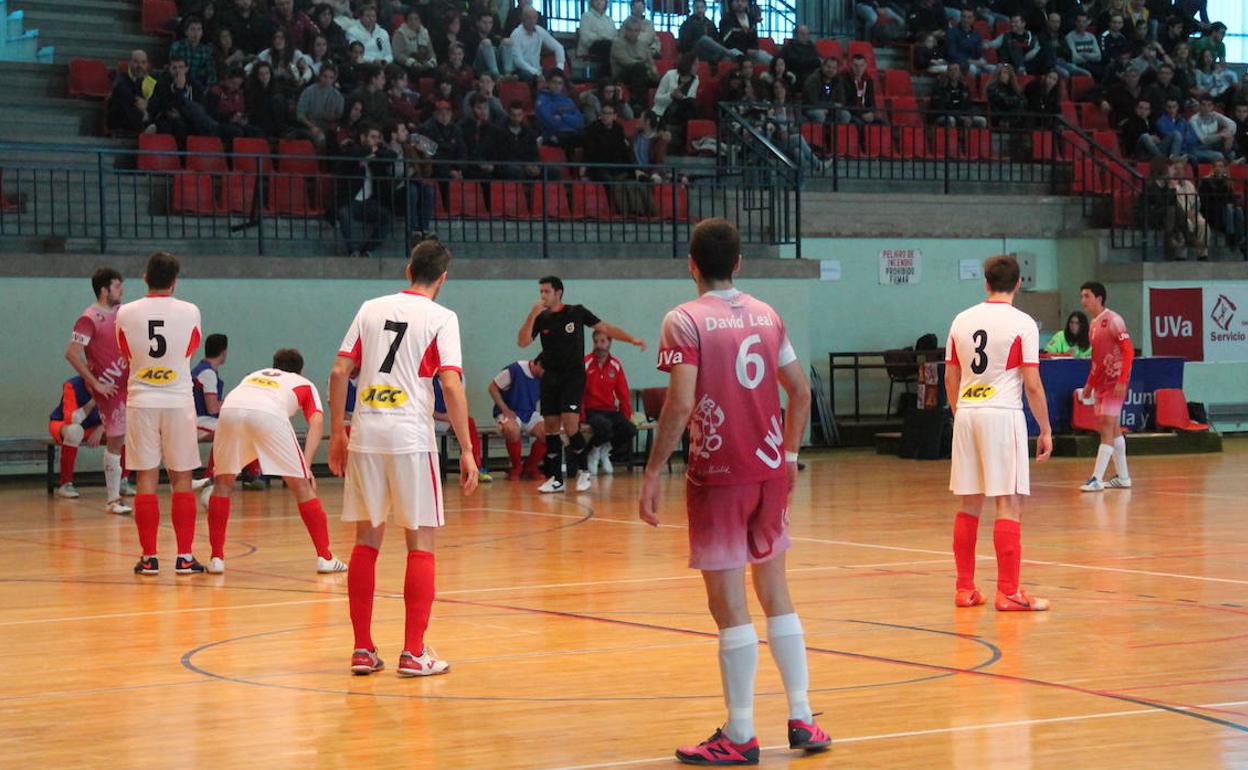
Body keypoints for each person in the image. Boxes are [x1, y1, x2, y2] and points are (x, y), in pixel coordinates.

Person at [639, 218, 828, 765]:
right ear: (739, 263)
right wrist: (790, 455)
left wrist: (652, 472)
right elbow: (799, 391)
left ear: (691, 263)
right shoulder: (769, 315)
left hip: (719, 473)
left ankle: (741, 733)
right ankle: (803, 718)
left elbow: (678, 404)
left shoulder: (683, 320)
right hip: (769, 469)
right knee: (776, 593)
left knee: (728, 605)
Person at [328, 240, 479, 678]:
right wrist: (468, 449)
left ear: (408, 267)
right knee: (421, 543)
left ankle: (362, 649)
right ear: (443, 278)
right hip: (411, 437)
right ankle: (413, 652)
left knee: (366, 542)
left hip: (367, 433)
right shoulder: (442, 317)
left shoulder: (371, 307)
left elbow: (340, 371)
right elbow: (450, 385)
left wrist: (338, 432)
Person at [945, 254, 1053, 613]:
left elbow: (950, 375)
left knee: (969, 502)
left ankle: (965, 589)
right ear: (1019, 283)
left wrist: (961, 412)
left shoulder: (961, 319)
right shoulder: (1022, 323)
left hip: (967, 413)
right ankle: (1008, 592)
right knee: (1008, 502)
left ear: (985, 282)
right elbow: (1033, 384)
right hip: (1002, 413)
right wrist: (1046, 428)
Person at [202, 349, 348, 575]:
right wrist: (306, 467)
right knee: (301, 487)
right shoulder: (304, 383)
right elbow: (317, 423)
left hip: (230, 410)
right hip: (267, 414)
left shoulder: (256, 374)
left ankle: (216, 558)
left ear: (274, 366)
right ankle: (325, 557)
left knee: (222, 485)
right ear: (301, 369)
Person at [115, 251, 205, 576]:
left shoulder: (125, 312)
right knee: (182, 478)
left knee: (145, 478)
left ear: (144, 277)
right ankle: (184, 557)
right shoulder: (190, 310)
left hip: (141, 400)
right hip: (179, 400)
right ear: (175, 281)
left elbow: (125, 352)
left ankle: (149, 557)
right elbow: (190, 348)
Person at [517, 276, 647, 494]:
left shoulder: (575, 312)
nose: (542, 296)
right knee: (550, 428)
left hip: (573, 377)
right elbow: (522, 342)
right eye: (540, 292)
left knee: (570, 426)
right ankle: (556, 478)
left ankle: (584, 470)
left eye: (546, 292)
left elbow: (605, 327)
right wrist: (532, 314)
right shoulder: (541, 318)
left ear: (558, 293)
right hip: (550, 378)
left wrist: (632, 339)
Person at [65, 267, 132, 514]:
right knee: (115, 440)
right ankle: (113, 499)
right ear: (104, 290)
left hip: (130, 385)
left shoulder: (122, 313)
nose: (121, 290)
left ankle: (123, 489)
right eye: (117, 286)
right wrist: (96, 383)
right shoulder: (89, 318)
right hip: (110, 388)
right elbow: (71, 353)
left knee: (137, 436)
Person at [1078, 281, 1134, 492]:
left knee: (1105, 427)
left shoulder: (1114, 320)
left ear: (1098, 298)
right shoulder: (1093, 325)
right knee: (1113, 428)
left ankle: (1096, 478)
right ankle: (1123, 477)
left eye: (1086, 296)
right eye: (1082, 296)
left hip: (1114, 382)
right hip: (1101, 383)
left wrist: (1121, 380)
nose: (1083, 300)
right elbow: (1097, 359)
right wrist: (1090, 384)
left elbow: (1128, 351)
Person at [338, 122, 397, 258]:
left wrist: (376, 150)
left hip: (368, 202)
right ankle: (353, 251)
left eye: (378, 138)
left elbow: (392, 156)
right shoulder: (351, 148)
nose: (376, 141)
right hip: (350, 200)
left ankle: (367, 250)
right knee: (343, 213)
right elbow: (351, 156)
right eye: (372, 137)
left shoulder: (377, 155)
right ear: (363, 138)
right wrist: (372, 150)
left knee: (387, 218)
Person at [582, 330, 637, 476]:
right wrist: (580, 416)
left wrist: (627, 414)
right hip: (591, 409)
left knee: (630, 430)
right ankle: (593, 452)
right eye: (596, 342)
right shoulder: (585, 363)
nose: (599, 345)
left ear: (609, 343)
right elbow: (578, 392)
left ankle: (605, 450)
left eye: (603, 341)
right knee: (604, 426)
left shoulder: (615, 365)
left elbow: (623, 392)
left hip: (610, 410)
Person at [488, 356, 547, 480]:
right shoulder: (515, 370)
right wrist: (504, 409)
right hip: (510, 412)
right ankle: (516, 467)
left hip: (529, 413)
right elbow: (492, 388)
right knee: (511, 428)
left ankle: (530, 467)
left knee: (549, 432)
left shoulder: (543, 378)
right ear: (539, 364)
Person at [48, 377, 104, 500]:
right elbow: (72, 419)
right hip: (63, 424)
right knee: (74, 431)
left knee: (125, 431)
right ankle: (65, 484)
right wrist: (94, 400)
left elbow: (119, 414)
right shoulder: (72, 385)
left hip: (94, 426)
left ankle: (122, 481)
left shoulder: (113, 384)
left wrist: (101, 428)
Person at [507, 7, 564, 83]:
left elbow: (559, 47)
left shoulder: (539, 30)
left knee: (558, 76)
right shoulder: (516, 34)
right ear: (522, 18)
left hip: (538, 70)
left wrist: (559, 68)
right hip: (521, 70)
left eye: (534, 17)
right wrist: (536, 73)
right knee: (530, 76)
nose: (532, 21)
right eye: (528, 18)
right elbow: (518, 61)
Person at [1198, 158, 1244, 248]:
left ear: (1224, 169)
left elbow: (1232, 199)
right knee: (1229, 209)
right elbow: (1205, 200)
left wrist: (1231, 204)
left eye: (1221, 166)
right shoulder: (1207, 181)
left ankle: (1239, 236)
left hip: (1225, 210)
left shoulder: (1227, 182)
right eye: (1216, 166)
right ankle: (1230, 235)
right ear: (1213, 168)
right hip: (1212, 211)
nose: (1218, 168)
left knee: (1238, 210)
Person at [171, 15, 218, 89]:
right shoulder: (177, 47)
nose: (196, 33)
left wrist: (207, 89)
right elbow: (173, 69)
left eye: (199, 29)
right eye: (192, 29)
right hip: (180, 84)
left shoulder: (206, 50)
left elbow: (211, 74)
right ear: (186, 32)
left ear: (202, 32)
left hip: (199, 88)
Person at [578, 0, 617, 65]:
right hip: (590, 48)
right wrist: (603, 37)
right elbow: (585, 37)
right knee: (606, 46)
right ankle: (606, 74)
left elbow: (615, 36)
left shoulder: (609, 20)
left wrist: (603, 37)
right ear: (592, 2)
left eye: (602, 0)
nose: (599, 2)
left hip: (609, 45)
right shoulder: (586, 16)